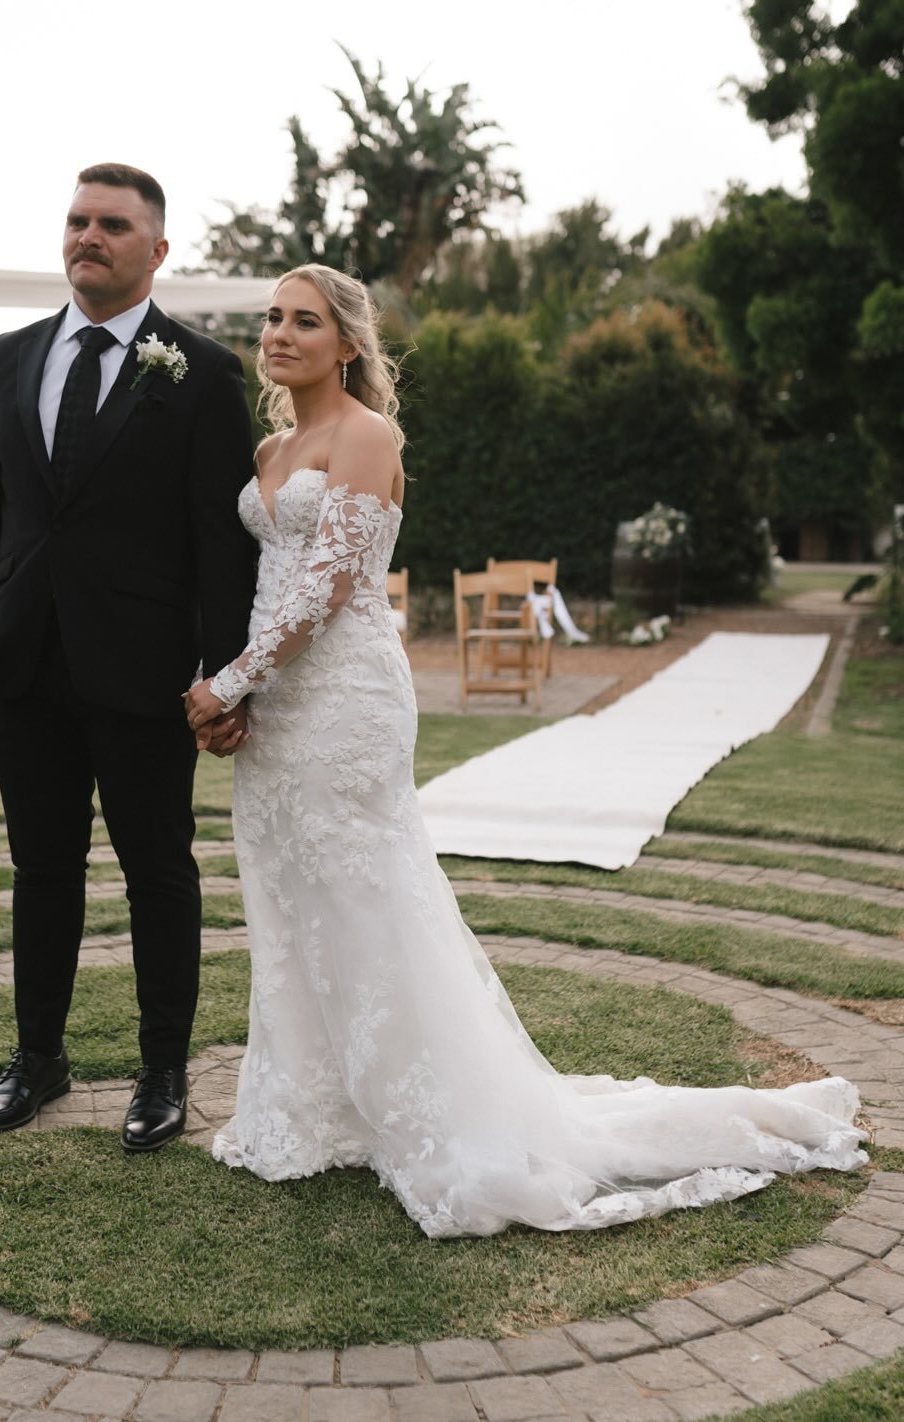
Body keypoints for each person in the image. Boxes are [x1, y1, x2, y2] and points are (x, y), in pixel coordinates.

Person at [186, 264, 866, 1238]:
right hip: (276, 706)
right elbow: (263, 580)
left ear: (346, 344)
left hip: (344, 702)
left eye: (305, 321)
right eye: (272, 319)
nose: (280, 335)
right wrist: (241, 696)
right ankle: (307, 1112)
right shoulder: (268, 445)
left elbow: (328, 587)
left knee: (362, 895)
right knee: (286, 893)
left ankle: (431, 1113)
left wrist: (227, 683)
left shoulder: (366, 437)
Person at [0, 163, 257, 1151]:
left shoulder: (200, 372)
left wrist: (222, 672)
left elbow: (221, 540)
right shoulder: (3, 358)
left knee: (156, 870)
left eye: (113, 224)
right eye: (77, 220)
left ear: (156, 251)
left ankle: (161, 1072)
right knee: (42, 867)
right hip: (20, 664)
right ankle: (38, 1060)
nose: (90, 236)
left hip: (145, 672)